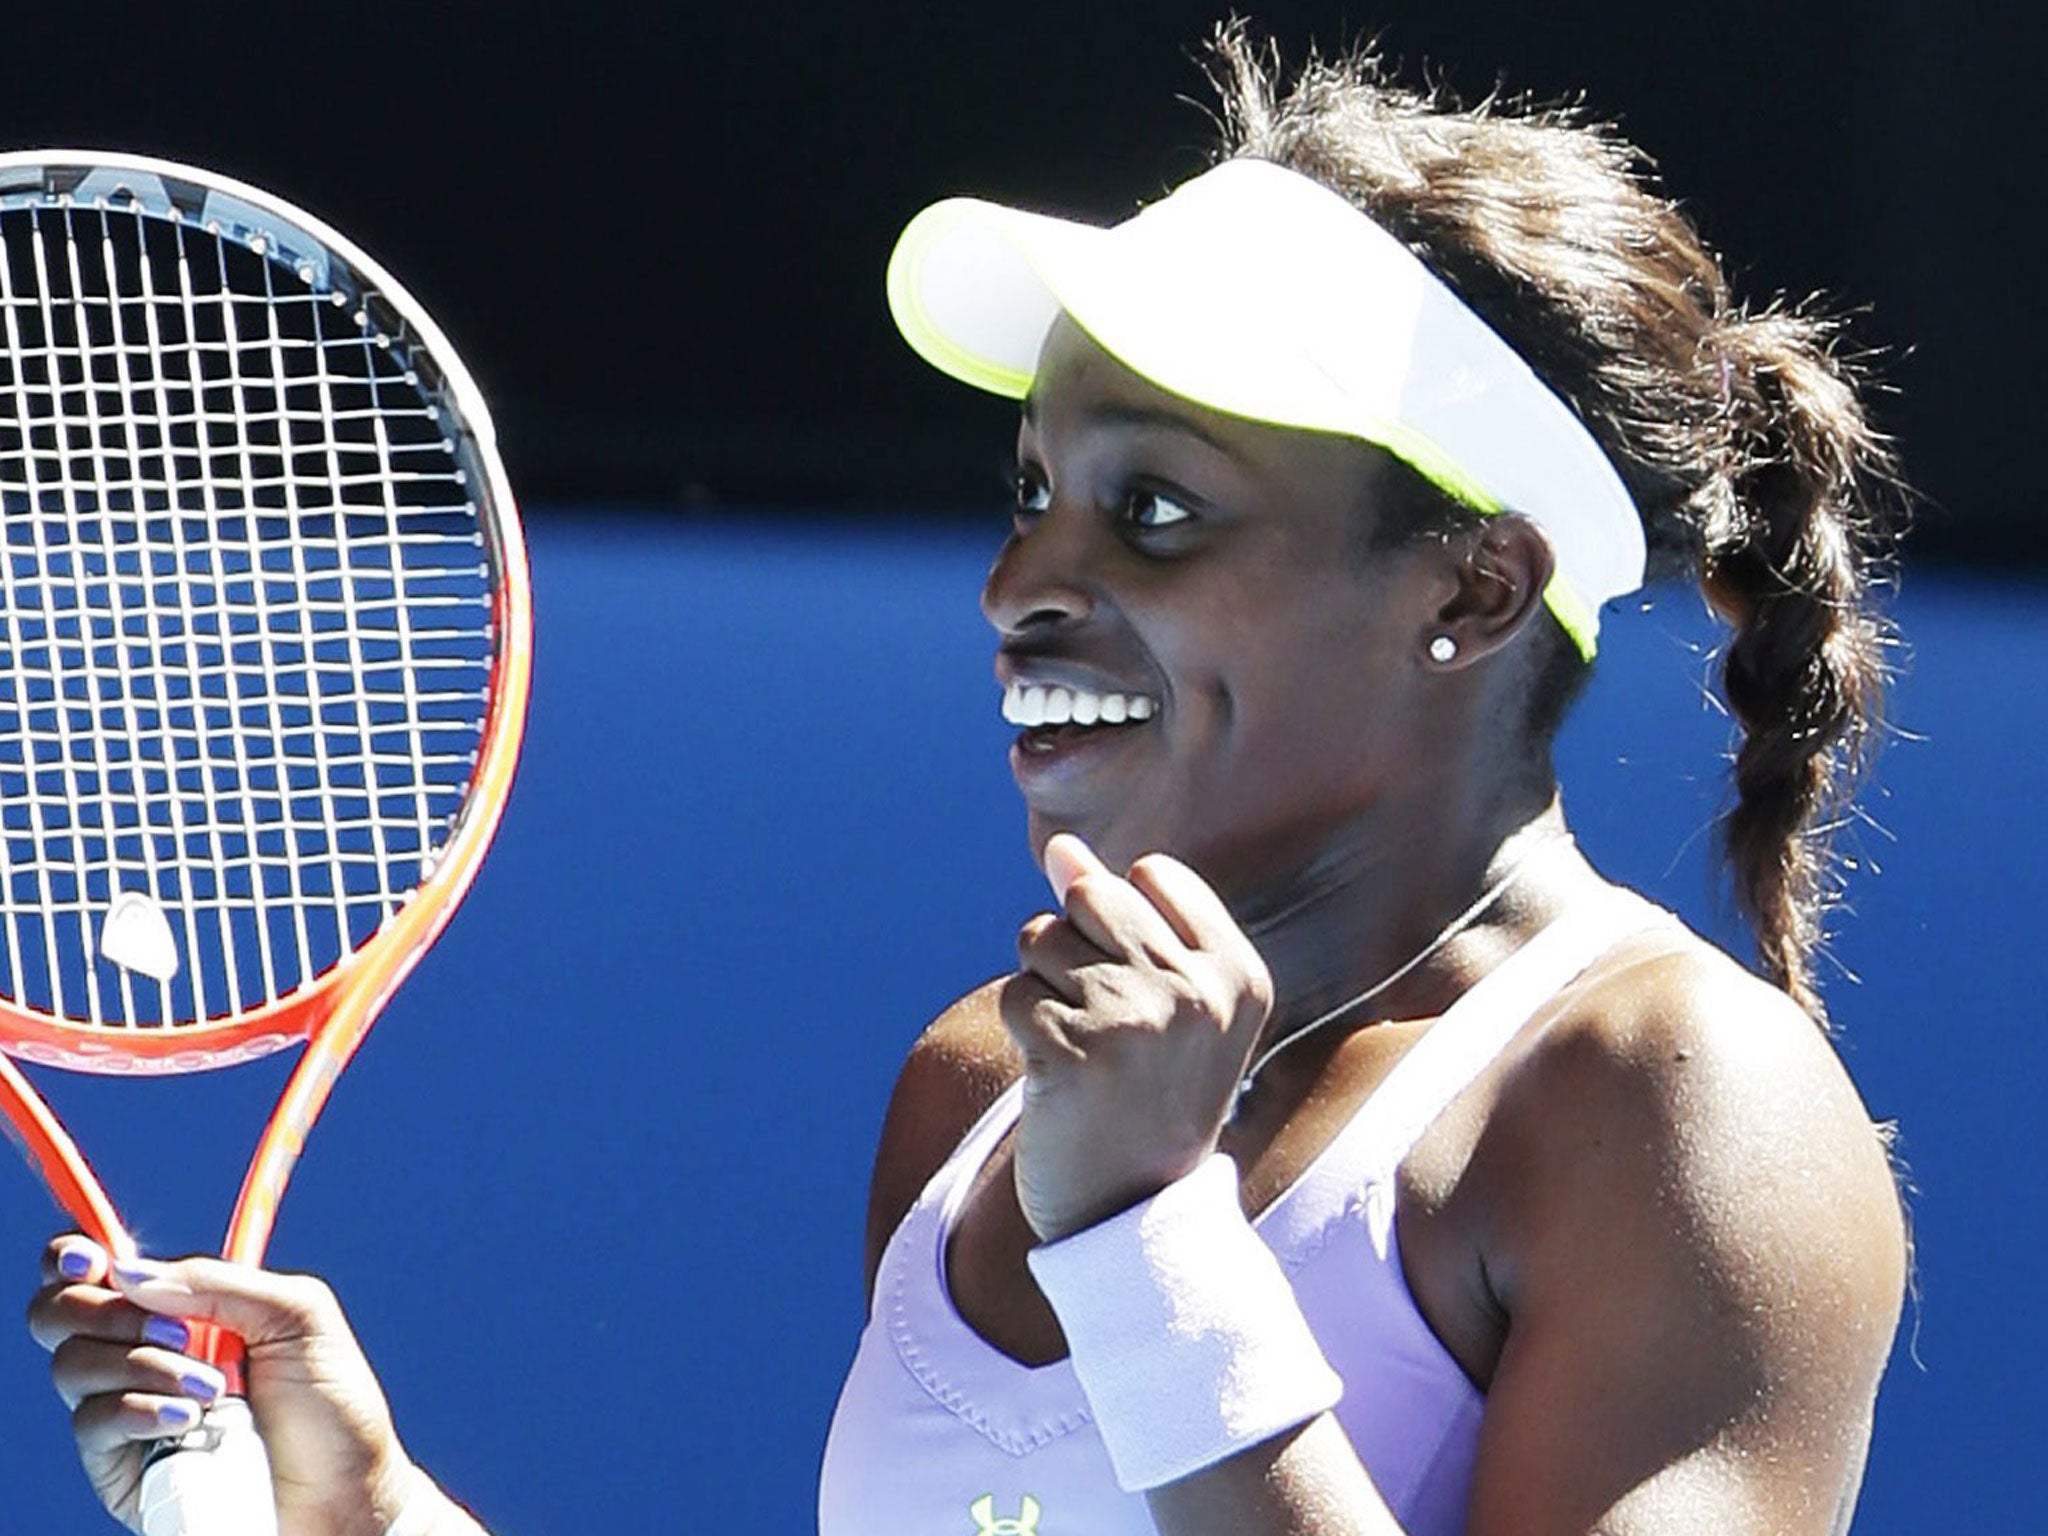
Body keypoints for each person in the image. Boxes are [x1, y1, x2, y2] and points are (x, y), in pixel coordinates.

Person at [28, 27, 1909, 1536]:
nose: (1023, 585)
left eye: (1155, 509)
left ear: (1472, 585)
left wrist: (1146, 1237)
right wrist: (367, 1522)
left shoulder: (1676, 1103)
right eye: (1032, 495)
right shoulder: (982, 1089)